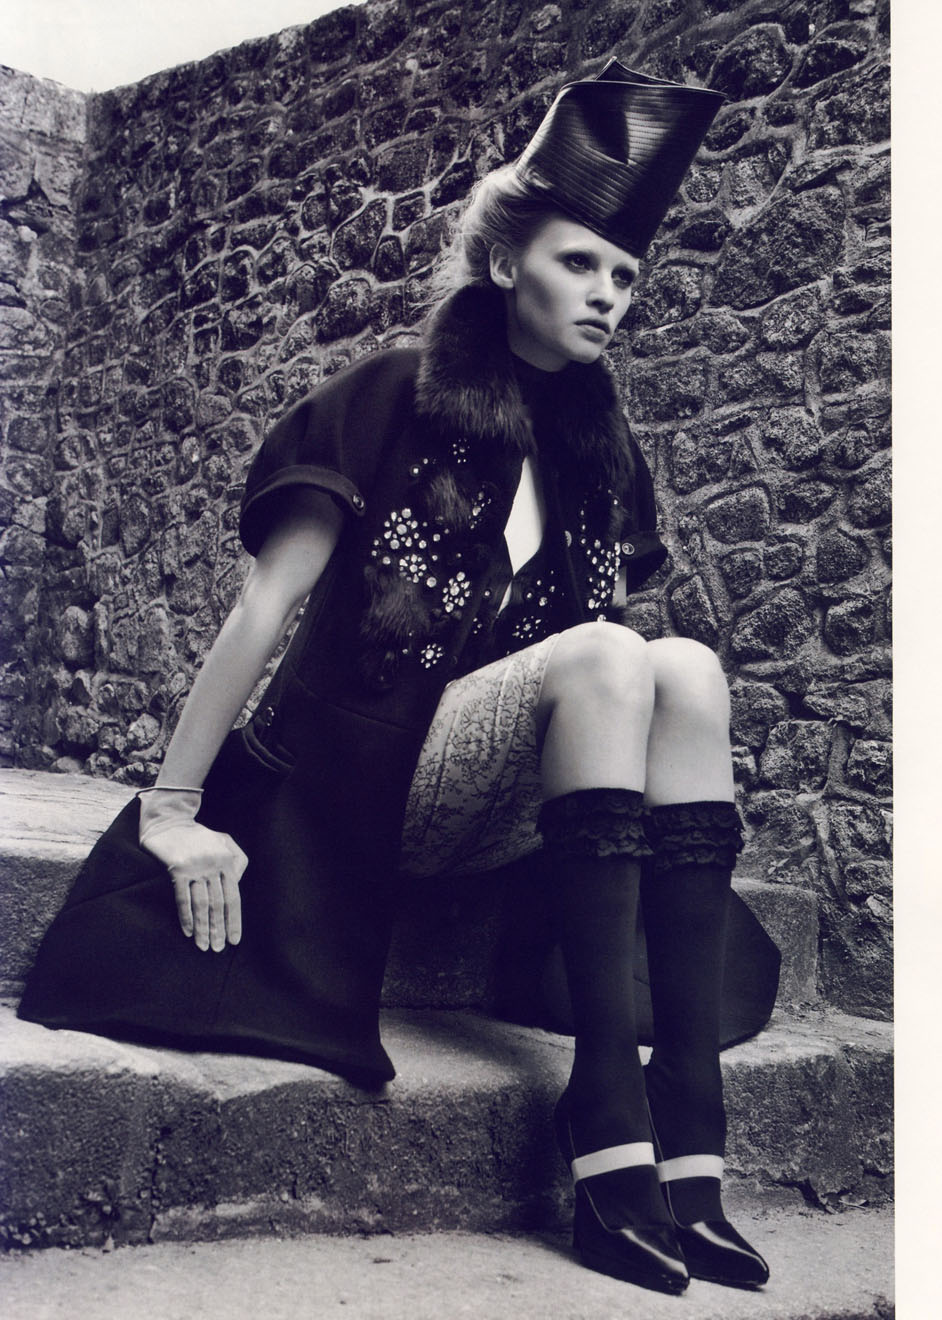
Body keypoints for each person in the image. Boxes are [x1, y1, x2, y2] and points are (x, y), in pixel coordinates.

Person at [20, 59, 775, 1294]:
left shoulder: (602, 454)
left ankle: (687, 1112)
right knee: (611, 652)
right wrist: (172, 806)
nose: (606, 295)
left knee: (682, 665)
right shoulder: (388, 395)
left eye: (624, 276)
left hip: (515, 812)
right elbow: (265, 606)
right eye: (578, 263)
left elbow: (608, 696)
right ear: (506, 265)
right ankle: (604, 1111)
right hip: (365, 780)